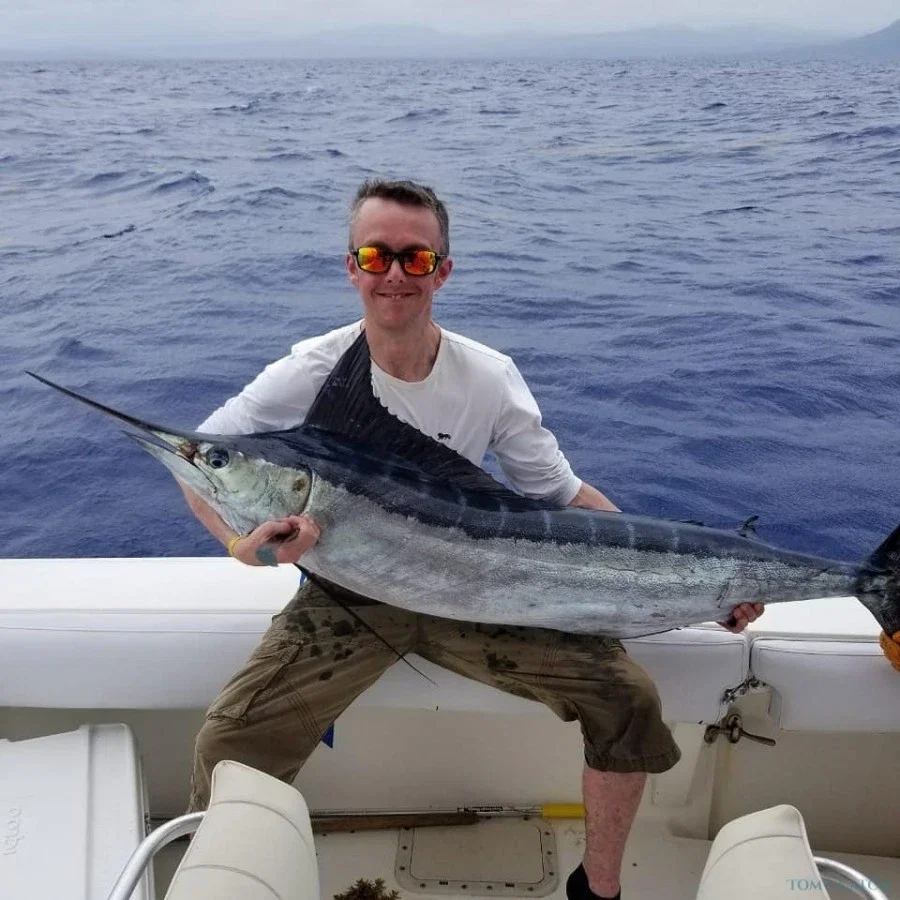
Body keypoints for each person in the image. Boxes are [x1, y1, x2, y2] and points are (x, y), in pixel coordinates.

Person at [181, 178, 764, 900]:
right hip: (348, 596)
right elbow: (199, 463)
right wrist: (247, 548)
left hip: (480, 590)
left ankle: (599, 891)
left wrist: (703, 584)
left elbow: (564, 496)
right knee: (228, 741)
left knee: (629, 699)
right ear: (352, 268)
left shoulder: (488, 375)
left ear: (443, 271)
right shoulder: (306, 372)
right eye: (376, 256)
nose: (395, 274)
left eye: (416, 258)